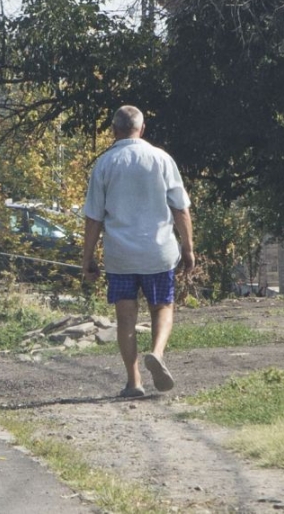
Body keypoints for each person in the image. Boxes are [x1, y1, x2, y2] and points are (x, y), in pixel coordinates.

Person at [82, 105, 195, 398]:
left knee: (126, 318)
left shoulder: (105, 164)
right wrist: (188, 249)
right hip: (158, 251)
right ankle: (157, 352)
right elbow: (180, 208)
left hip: (121, 254)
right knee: (162, 308)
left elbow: (93, 217)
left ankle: (134, 382)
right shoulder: (161, 159)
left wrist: (88, 258)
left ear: (114, 130)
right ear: (142, 129)